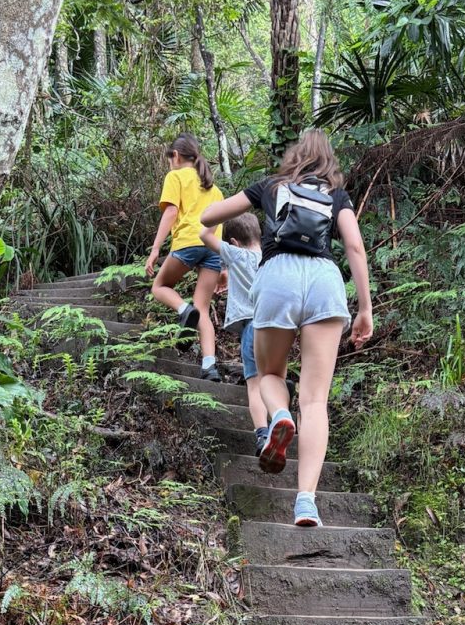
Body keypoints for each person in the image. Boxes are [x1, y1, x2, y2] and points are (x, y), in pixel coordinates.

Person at [200, 129, 373, 527]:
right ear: (329, 161)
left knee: (270, 375)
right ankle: (307, 501)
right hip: (324, 281)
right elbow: (355, 246)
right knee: (315, 401)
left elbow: (209, 218)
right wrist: (365, 308)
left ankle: (278, 415)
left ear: (294, 156)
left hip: (277, 277)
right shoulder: (337, 196)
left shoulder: (270, 186)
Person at [145, 133, 225, 382]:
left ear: (176, 156)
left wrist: (156, 248)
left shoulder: (175, 176)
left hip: (188, 242)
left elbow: (171, 211)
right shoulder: (216, 190)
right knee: (202, 308)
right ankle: (210, 366)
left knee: (159, 286)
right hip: (213, 248)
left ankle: (183, 309)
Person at [199, 213, 267, 454]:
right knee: (273, 379)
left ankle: (263, 435)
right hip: (277, 329)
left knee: (255, 384)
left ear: (234, 242)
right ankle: (281, 416)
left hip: (252, 327)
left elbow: (204, 234)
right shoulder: (272, 258)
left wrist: (222, 211)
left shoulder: (237, 255)